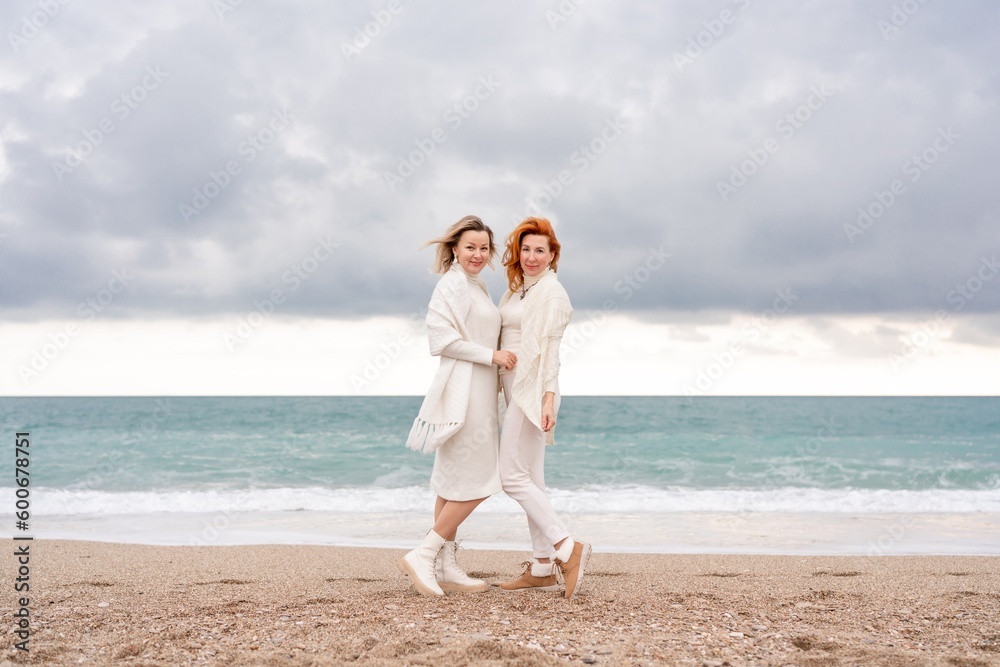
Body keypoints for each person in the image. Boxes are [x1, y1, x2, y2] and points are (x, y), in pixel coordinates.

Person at [398, 215, 518, 597]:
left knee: (452, 481)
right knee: (483, 479)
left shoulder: (477, 286)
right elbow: (441, 341)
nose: (478, 254)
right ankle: (424, 552)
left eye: (484, 248)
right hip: (464, 393)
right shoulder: (450, 285)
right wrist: (492, 356)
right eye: (471, 247)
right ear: (455, 249)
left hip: (482, 393)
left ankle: (447, 566)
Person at [495, 216, 591, 599]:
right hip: (516, 388)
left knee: (511, 477)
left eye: (540, 250)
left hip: (532, 390)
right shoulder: (521, 290)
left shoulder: (552, 293)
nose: (532, 256)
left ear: (553, 255)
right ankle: (540, 566)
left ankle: (567, 548)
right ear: (518, 253)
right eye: (526, 249)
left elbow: (551, 352)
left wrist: (548, 398)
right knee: (532, 480)